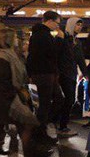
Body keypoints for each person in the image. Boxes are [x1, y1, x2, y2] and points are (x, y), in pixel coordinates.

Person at [0, 28, 50, 157]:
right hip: (7, 99)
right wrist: (19, 90)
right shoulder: (4, 57)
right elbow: (10, 80)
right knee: (27, 125)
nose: (16, 40)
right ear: (8, 39)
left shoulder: (0, 55)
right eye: (14, 38)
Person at [26, 11, 64, 142]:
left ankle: (40, 128)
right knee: (45, 104)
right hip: (44, 74)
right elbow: (53, 53)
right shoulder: (43, 35)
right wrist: (59, 40)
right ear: (50, 21)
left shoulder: (38, 34)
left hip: (42, 74)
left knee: (50, 102)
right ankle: (39, 131)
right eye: (57, 23)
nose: (58, 26)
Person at [56, 17, 87, 138]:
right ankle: (60, 126)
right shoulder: (63, 39)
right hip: (63, 74)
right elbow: (57, 56)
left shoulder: (77, 42)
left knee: (70, 100)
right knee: (67, 99)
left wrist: (86, 74)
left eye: (80, 25)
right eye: (77, 25)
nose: (79, 27)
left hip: (72, 74)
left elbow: (80, 60)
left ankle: (62, 125)